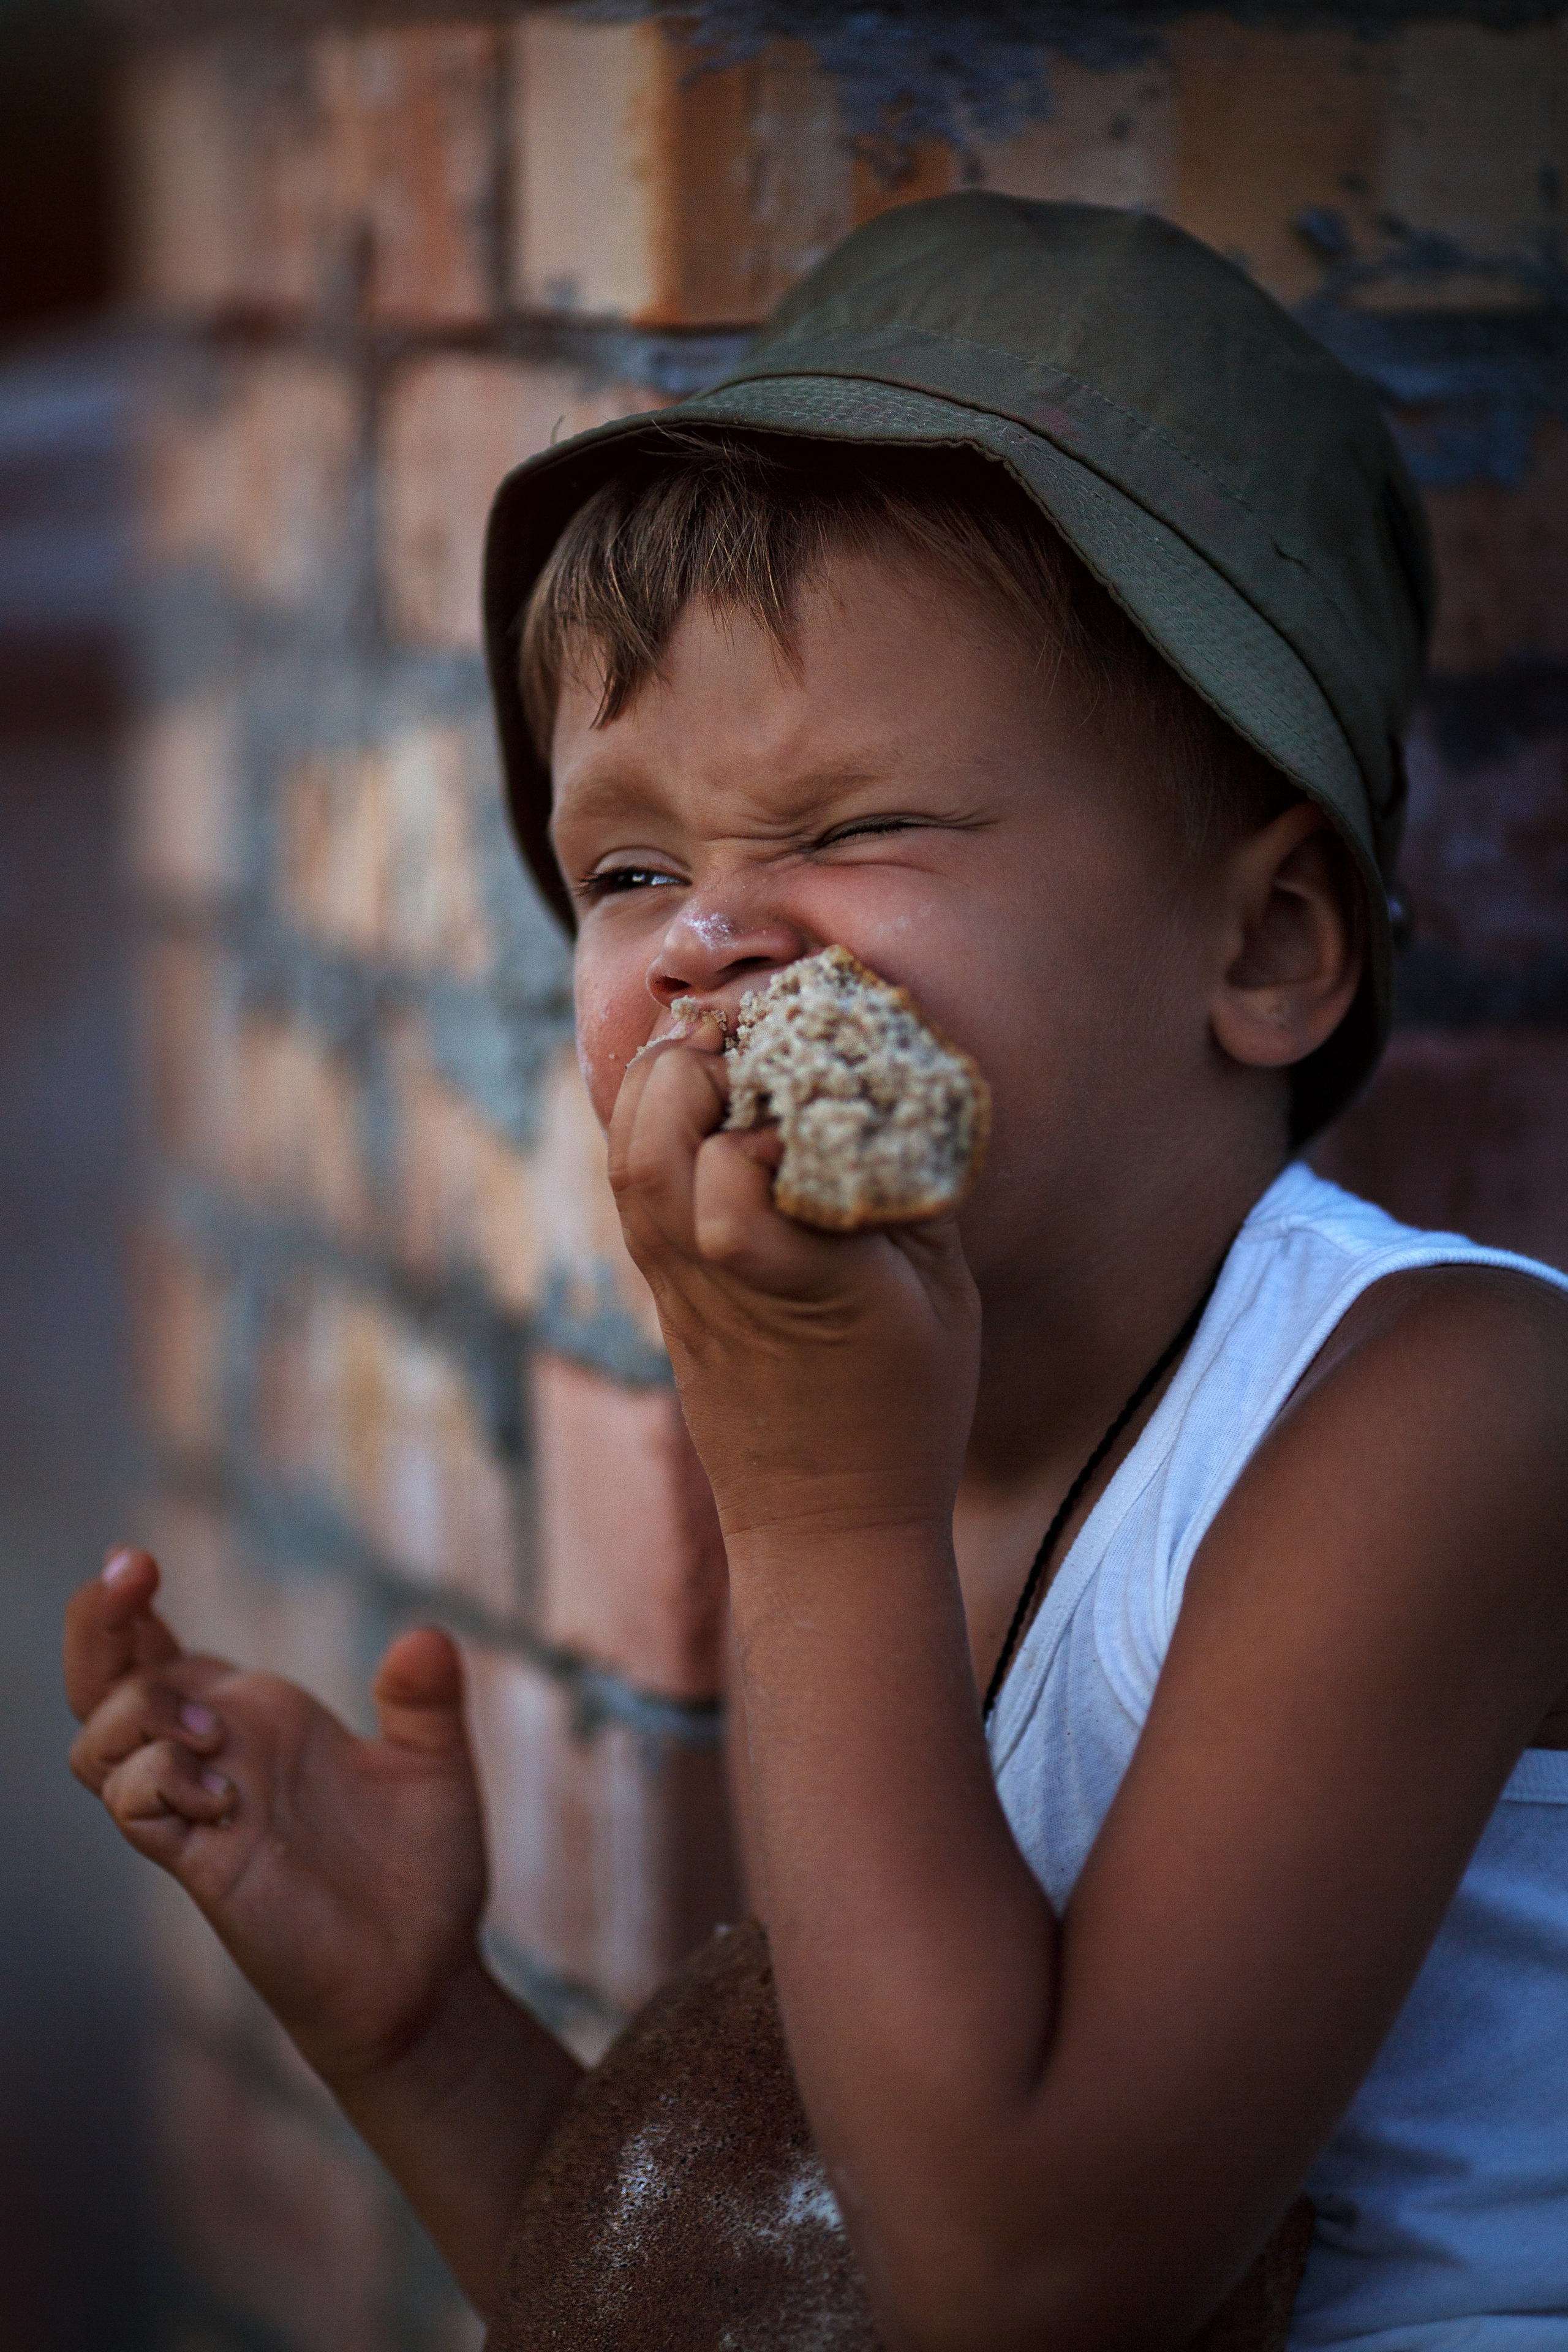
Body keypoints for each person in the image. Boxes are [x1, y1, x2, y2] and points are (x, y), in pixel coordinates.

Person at [64, 196, 1568, 2350]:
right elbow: (792, 2303)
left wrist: (813, 1511)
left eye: (854, 827)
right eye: (632, 866)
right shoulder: (886, 1455)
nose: (706, 940)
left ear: (1265, 945)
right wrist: (418, 2036)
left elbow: (1017, 2285)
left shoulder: (1444, 1412)